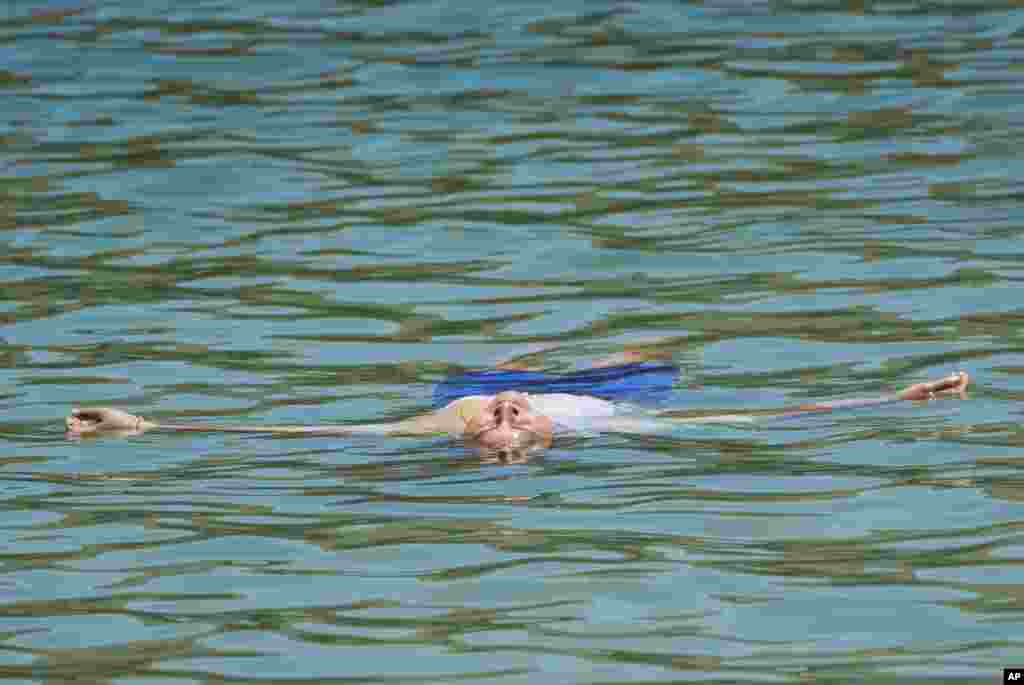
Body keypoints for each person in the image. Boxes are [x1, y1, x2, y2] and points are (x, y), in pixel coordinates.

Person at [65, 358, 970, 461]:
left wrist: (147, 425)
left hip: (448, 377)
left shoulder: (447, 415)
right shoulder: (591, 421)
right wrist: (895, 396)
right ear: (542, 429)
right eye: (511, 425)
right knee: (650, 365)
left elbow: (305, 431)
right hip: (604, 382)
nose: (502, 418)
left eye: (493, 423)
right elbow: (750, 421)